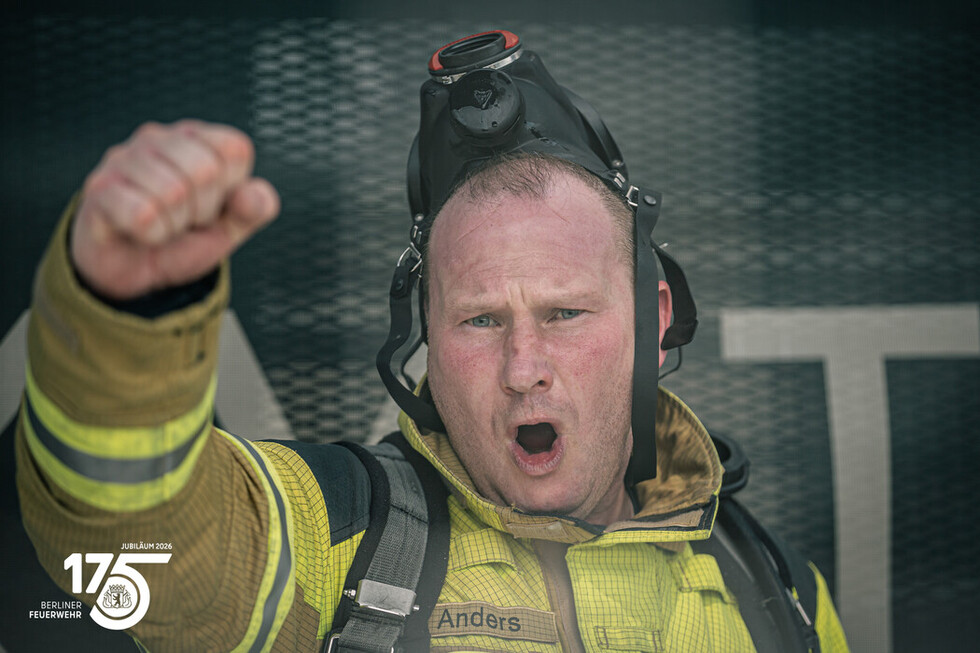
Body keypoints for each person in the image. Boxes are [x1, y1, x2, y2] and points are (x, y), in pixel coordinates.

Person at [16, 32, 848, 652]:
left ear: (655, 314)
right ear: (425, 343)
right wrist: (122, 318)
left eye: (566, 314)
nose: (524, 370)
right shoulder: (336, 540)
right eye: (481, 320)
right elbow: (135, 542)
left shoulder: (778, 590)